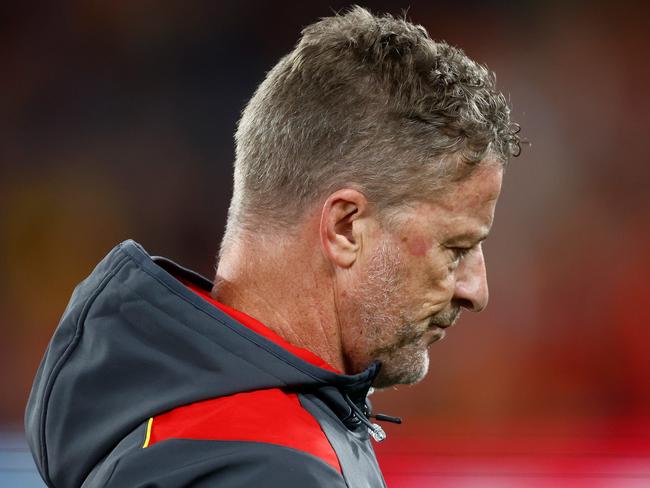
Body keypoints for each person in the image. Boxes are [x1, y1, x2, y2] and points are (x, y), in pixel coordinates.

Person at [25, 6, 520, 488]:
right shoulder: (270, 466)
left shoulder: (182, 420)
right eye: (456, 248)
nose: (475, 291)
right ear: (345, 228)